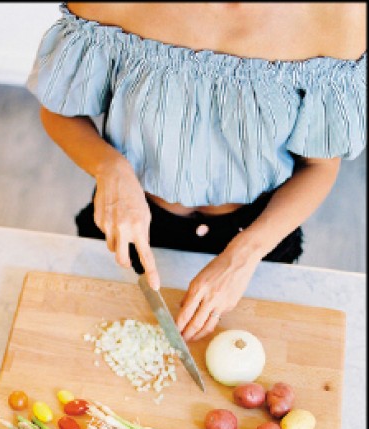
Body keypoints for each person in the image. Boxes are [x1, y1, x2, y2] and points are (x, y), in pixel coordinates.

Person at [27, 3, 366, 340]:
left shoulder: (338, 16)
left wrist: (243, 255)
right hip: (129, 224)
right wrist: (110, 168)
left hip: (259, 237)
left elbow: (319, 166)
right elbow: (59, 112)